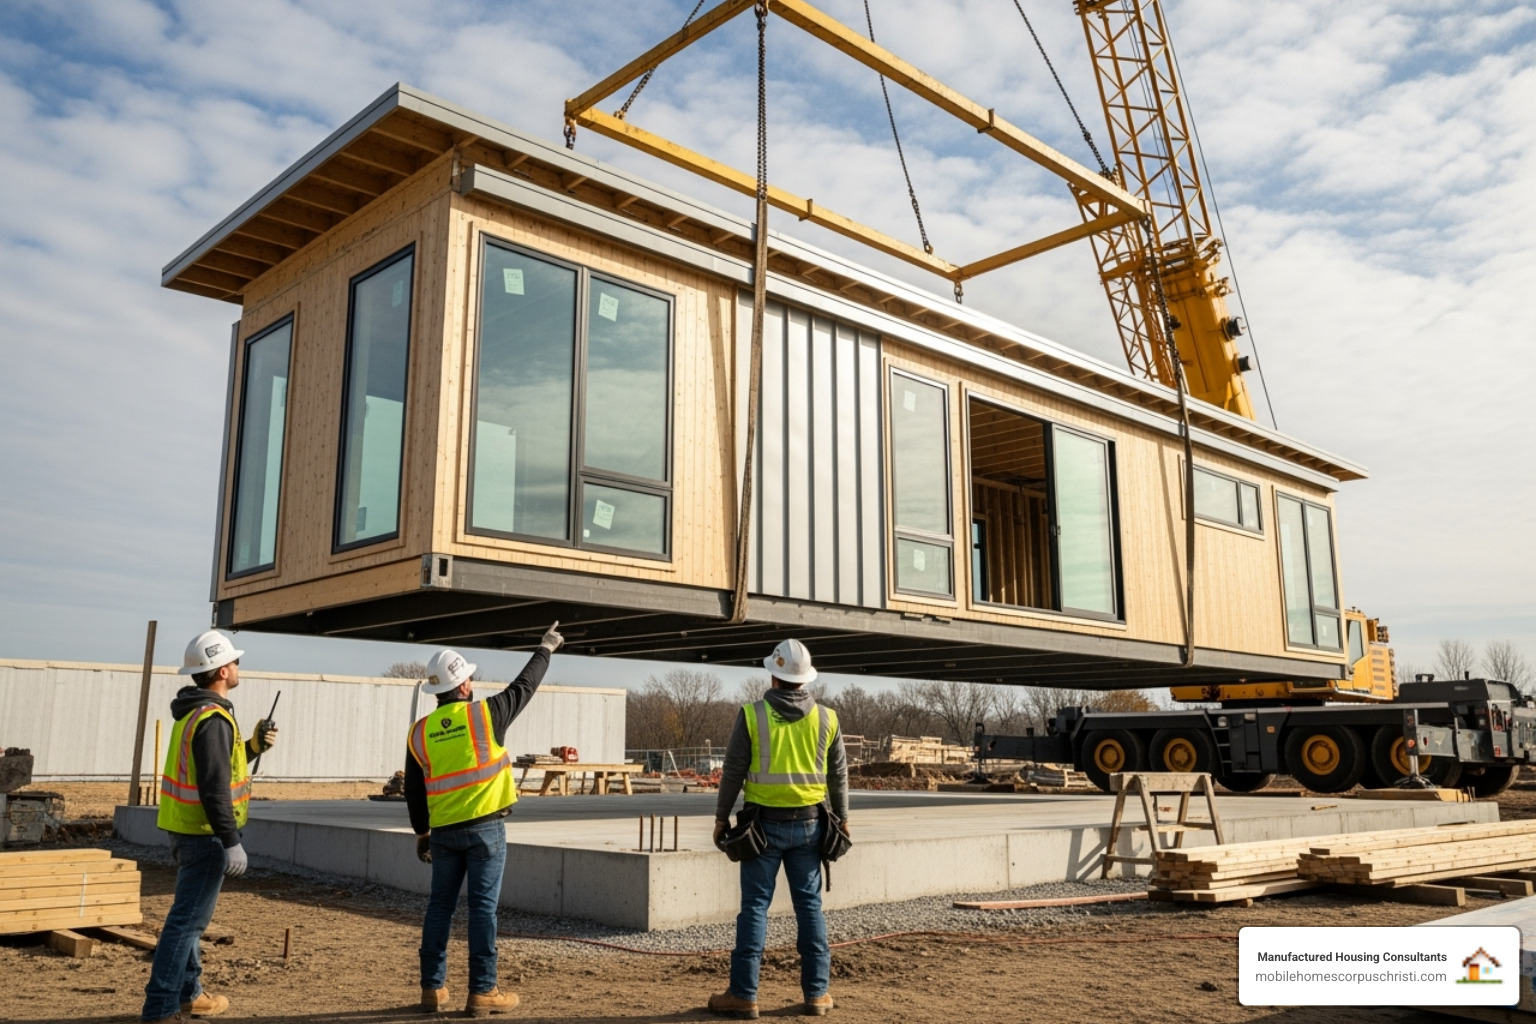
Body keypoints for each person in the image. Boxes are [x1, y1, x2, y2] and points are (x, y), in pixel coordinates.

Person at [406, 622, 563, 1016]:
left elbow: (414, 789)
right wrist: (545, 648)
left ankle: (432, 989)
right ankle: (482, 991)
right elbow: (524, 687)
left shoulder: (420, 733)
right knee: (482, 910)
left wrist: (422, 833)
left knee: (439, 908)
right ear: (461, 686)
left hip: (442, 833)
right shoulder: (485, 715)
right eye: (469, 677)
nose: (472, 682)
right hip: (485, 830)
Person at [141, 629, 277, 1024]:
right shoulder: (213, 718)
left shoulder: (196, 713)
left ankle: (189, 994)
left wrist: (253, 746)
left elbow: (220, 767)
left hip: (186, 829)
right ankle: (161, 1006)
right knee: (187, 923)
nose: (237, 667)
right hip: (205, 834)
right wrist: (231, 840)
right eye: (233, 662)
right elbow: (215, 786)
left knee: (189, 919)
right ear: (219, 671)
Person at [709, 638, 848, 1019]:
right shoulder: (828, 718)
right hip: (810, 826)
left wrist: (721, 819)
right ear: (806, 679)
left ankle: (743, 995)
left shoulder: (752, 714)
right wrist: (843, 817)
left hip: (760, 829)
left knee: (754, 907)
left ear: (774, 675)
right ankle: (817, 995)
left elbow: (733, 772)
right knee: (810, 907)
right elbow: (838, 777)